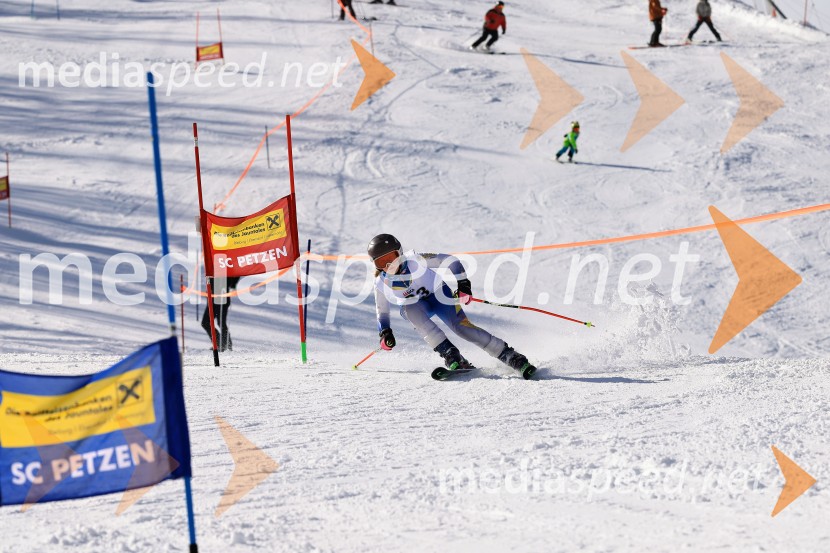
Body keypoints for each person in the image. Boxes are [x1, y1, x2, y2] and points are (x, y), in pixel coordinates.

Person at [368, 234, 537, 376]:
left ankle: (509, 355)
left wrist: (463, 285)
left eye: (390, 258)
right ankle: (451, 354)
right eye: (381, 263)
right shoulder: (381, 283)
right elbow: (381, 312)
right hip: (418, 307)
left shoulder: (417, 260)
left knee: (461, 328)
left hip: (441, 296)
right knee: (409, 309)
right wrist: (385, 332)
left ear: (400, 253)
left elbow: (451, 261)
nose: (388, 266)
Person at [202, 275, 240, 352]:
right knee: (206, 322)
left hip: (222, 295)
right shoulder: (211, 263)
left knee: (220, 322)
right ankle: (221, 344)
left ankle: (226, 345)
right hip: (212, 295)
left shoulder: (224, 264)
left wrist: (232, 284)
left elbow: (235, 271)